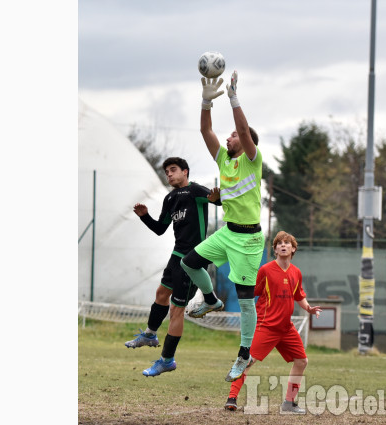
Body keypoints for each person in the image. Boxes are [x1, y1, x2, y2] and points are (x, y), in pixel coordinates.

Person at [180, 70, 265, 382]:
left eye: (234, 135)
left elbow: (244, 131)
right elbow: (206, 131)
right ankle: (211, 299)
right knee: (190, 262)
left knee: (245, 301)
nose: (229, 137)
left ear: (246, 143)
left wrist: (234, 98)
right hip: (229, 232)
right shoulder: (223, 160)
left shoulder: (252, 160)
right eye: (228, 135)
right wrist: (206, 102)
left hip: (249, 240)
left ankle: (244, 353)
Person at [125, 157, 220, 377]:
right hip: (176, 256)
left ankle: (167, 360)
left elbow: (218, 200)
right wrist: (144, 216)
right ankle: (150, 334)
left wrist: (216, 199)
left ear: (185, 172)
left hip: (192, 260)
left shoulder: (195, 190)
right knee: (161, 294)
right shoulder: (170, 198)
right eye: (167, 171)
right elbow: (160, 229)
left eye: (173, 170)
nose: (169, 174)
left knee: (177, 310)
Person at [223, 231, 322, 414]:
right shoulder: (266, 270)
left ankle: (289, 403)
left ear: (293, 249)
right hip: (265, 325)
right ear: (275, 249)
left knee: (301, 361)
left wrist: (308, 308)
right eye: (279, 243)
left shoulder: (296, 272)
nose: (283, 245)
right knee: (247, 361)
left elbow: (298, 295)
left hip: (286, 328)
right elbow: (252, 291)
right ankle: (232, 398)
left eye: (287, 243)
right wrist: (242, 280)